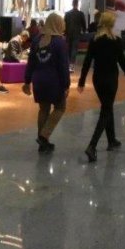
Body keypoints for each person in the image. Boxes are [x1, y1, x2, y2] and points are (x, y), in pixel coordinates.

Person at [78, 11, 125, 162]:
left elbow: (87, 61)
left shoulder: (94, 40)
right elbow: (122, 60)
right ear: (111, 24)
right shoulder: (116, 41)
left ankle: (111, 140)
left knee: (107, 106)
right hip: (110, 79)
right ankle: (92, 146)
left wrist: (82, 81)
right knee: (106, 110)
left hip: (98, 79)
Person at [23, 12, 70, 153]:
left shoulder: (37, 40)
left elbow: (31, 62)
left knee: (43, 109)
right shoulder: (60, 42)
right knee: (60, 107)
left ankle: (42, 144)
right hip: (54, 81)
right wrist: (66, 85)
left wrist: (27, 81)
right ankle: (44, 136)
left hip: (38, 80)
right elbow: (63, 66)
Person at [64, 0, 86, 73]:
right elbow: (84, 24)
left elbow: (64, 24)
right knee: (74, 49)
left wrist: (65, 32)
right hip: (77, 34)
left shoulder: (67, 14)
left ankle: (68, 64)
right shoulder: (80, 14)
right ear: (77, 4)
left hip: (68, 33)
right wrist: (84, 31)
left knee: (69, 49)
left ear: (72, 4)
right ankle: (71, 66)